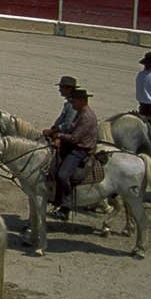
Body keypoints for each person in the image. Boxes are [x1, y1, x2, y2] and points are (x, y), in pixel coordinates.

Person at [50, 88, 99, 216]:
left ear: (82, 101)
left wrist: (59, 135)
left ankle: (66, 205)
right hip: (74, 145)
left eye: (74, 101)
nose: (72, 104)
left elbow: (75, 138)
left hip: (80, 149)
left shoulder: (86, 116)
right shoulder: (80, 112)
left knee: (63, 174)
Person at [43, 75, 79, 141]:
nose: (59, 90)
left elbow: (67, 125)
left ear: (69, 89)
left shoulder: (72, 105)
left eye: (61, 87)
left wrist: (52, 131)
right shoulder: (69, 103)